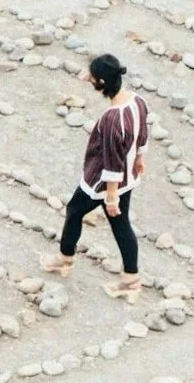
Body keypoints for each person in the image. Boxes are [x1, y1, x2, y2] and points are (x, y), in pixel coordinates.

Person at [46, 53, 148, 298]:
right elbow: (143, 132)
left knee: (74, 211)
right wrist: (140, 158)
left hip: (102, 181)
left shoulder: (112, 119)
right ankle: (131, 280)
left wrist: (110, 197)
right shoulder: (137, 100)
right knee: (120, 225)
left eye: (92, 77)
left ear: (101, 82)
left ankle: (65, 259)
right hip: (127, 176)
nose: (89, 80)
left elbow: (112, 158)